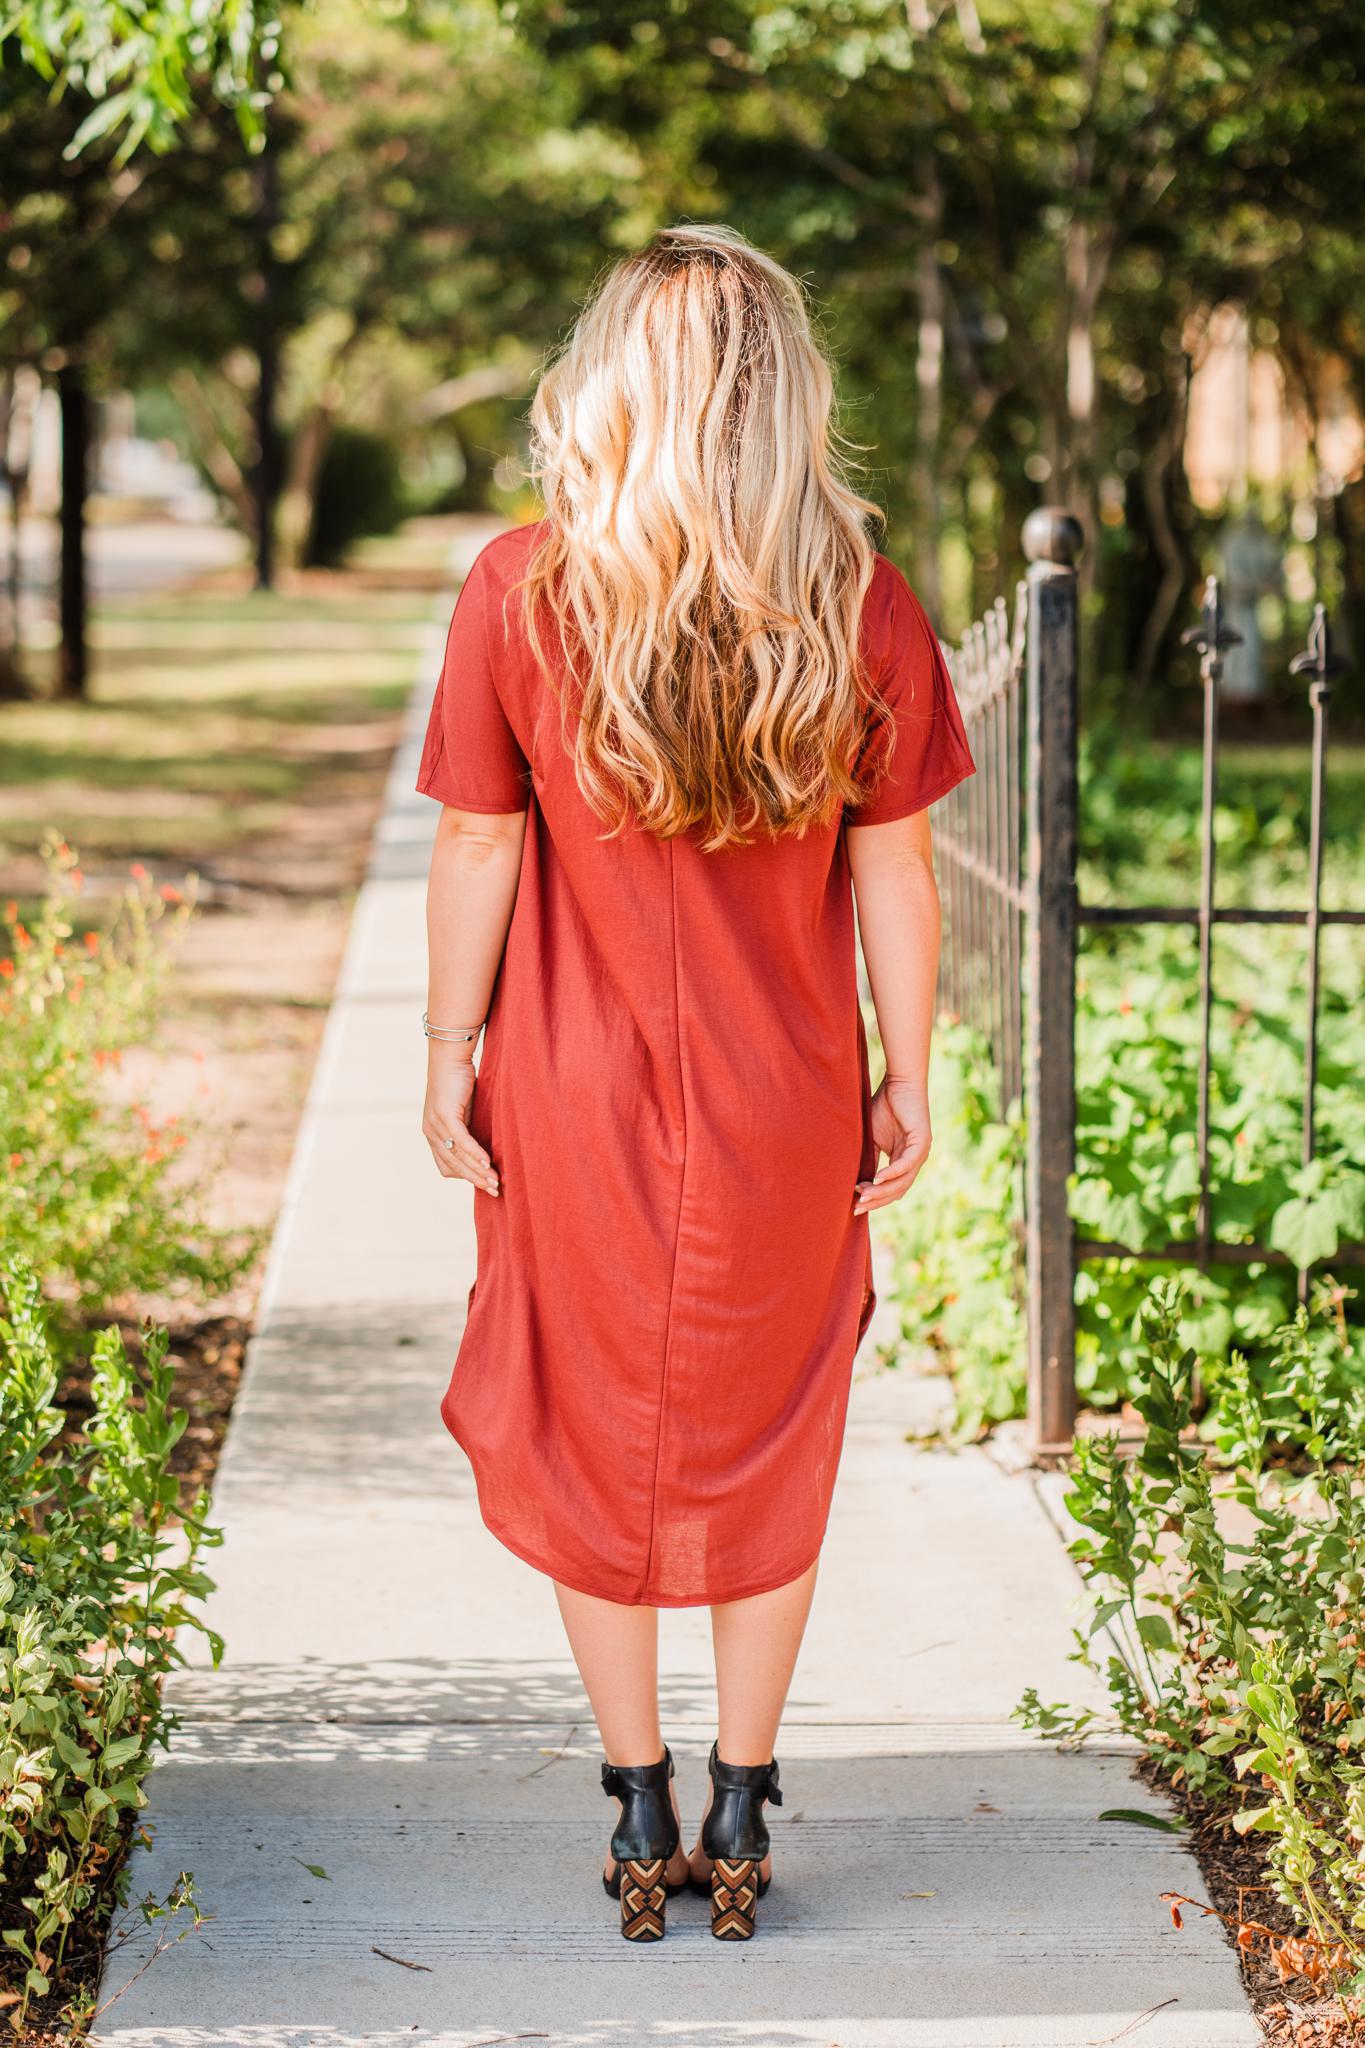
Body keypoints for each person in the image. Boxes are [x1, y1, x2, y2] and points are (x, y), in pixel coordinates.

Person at [415, 223, 974, 1943]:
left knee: (594, 1421)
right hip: (781, 1096)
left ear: (612, 388)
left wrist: (449, 1056)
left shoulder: (523, 588)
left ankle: (635, 1792)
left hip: (572, 1092)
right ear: (779, 398)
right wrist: (908, 1073)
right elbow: (896, 873)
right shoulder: (857, 601)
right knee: (769, 1426)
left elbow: (475, 848)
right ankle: (742, 1797)